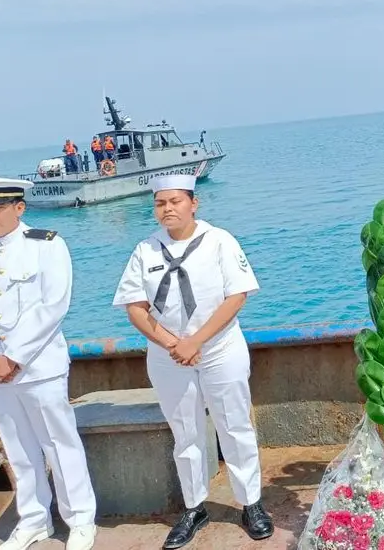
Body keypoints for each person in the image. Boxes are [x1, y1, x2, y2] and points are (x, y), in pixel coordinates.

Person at [111, 174, 274, 547]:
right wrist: (174, 344)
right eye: (160, 203)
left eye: (175, 201)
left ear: (193, 203)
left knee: (234, 426)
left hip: (219, 350)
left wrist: (196, 341)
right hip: (169, 356)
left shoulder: (219, 241)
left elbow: (236, 297)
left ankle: (250, 502)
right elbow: (135, 308)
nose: (167, 209)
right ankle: (194, 506)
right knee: (185, 432)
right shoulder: (145, 250)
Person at [0, 175, 98, 550]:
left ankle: (80, 520)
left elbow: (54, 306)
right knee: (18, 448)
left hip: (39, 367)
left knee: (58, 443)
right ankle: (33, 520)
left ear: (19, 207)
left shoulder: (47, 246)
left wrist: (12, 357)